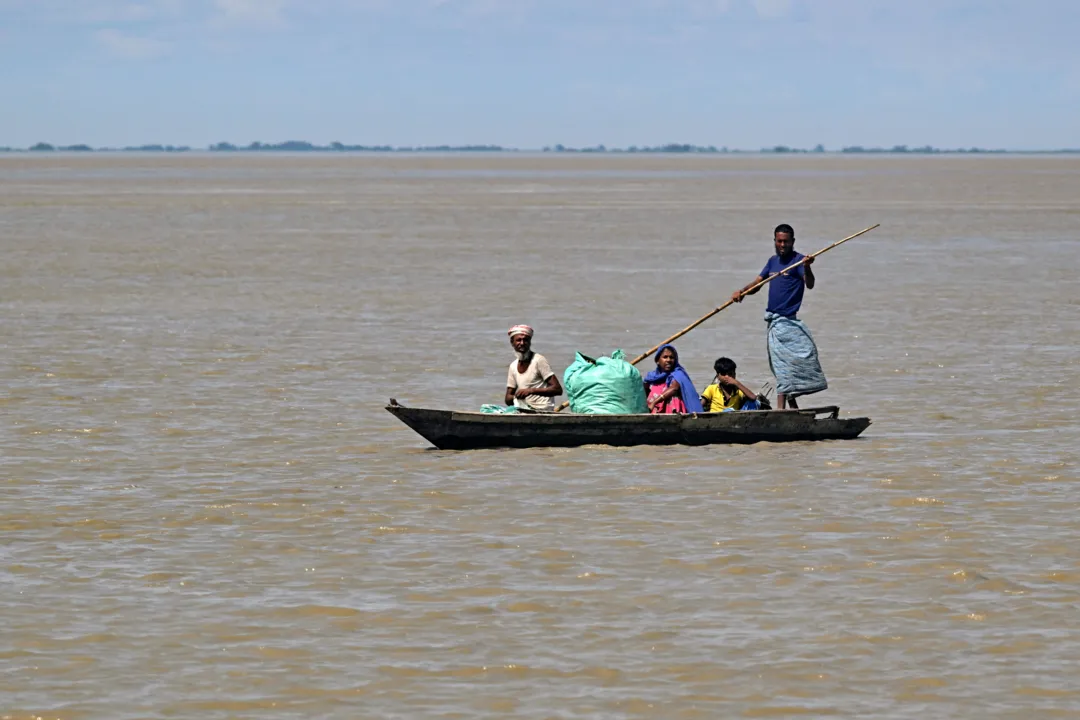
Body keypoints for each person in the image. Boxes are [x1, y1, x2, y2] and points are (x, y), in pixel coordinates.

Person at [730, 223, 827, 409]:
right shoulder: (772, 262)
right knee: (780, 367)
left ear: (793, 242)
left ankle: (781, 409)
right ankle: (793, 408)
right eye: (779, 241)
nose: (782, 245)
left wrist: (807, 267)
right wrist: (741, 292)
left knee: (789, 365)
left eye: (786, 242)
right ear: (775, 241)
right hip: (774, 322)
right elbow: (757, 284)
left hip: (788, 322)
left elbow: (810, 284)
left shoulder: (799, 261)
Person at [504, 325, 563, 412]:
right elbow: (508, 398)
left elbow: (557, 389)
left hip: (542, 410)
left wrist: (531, 391)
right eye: (518, 340)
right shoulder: (513, 366)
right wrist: (517, 397)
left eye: (525, 340)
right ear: (512, 342)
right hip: (524, 408)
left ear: (530, 342)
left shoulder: (538, 360)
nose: (522, 343)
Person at [641, 344, 703, 414]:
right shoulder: (651, 377)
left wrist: (654, 402)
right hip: (653, 412)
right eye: (665, 357)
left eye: (671, 357)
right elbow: (643, 393)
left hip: (674, 414)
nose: (668, 360)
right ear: (657, 360)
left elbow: (674, 388)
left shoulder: (679, 374)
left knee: (673, 397)